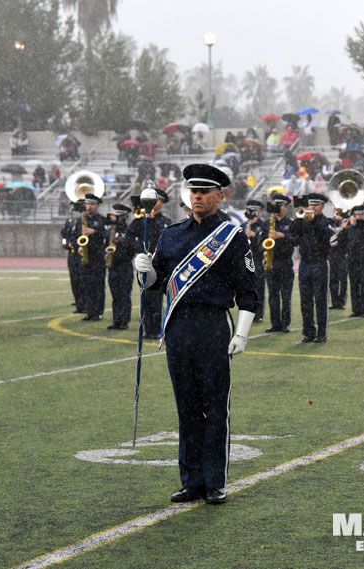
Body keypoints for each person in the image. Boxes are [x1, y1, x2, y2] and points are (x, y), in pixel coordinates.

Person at [134, 163, 259, 505]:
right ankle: (191, 480)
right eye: (194, 191)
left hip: (214, 325)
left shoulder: (232, 237)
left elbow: (249, 291)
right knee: (186, 407)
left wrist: (242, 334)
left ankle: (215, 481)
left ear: (221, 195)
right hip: (178, 327)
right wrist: (142, 272)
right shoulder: (171, 234)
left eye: (205, 192)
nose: (198, 197)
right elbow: (155, 285)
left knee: (216, 406)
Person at [126, 188, 171, 339]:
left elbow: (164, 240)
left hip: (158, 265)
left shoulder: (164, 222)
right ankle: (148, 329)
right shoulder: (139, 220)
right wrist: (139, 251)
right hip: (144, 264)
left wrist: (151, 221)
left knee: (156, 298)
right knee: (145, 297)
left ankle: (156, 329)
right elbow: (129, 238)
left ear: (162, 203)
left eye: (157, 200)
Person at [292, 193, 334, 342]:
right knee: (305, 300)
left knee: (321, 300)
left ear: (322, 206)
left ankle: (322, 333)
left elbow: (327, 236)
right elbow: (293, 237)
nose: (312, 208)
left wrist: (314, 221)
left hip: (320, 263)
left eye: (316, 205)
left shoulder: (326, 222)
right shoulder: (302, 221)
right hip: (305, 263)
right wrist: (298, 220)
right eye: (311, 205)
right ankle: (308, 332)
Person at [72, 193, 107, 321]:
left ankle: (98, 312)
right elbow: (75, 236)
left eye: (92, 204)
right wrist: (78, 246)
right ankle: (90, 311)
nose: (89, 207)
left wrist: (94, 232)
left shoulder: (102, 220)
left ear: (97, 206)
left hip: (97, 256)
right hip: (85, 257)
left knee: (98, 285)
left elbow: (106, 236)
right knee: (87, 285)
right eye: (88, 204)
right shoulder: (81, 220)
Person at [264, 194, 295, 333]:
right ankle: (275, 323)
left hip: (285, 262)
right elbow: (260, 243)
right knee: (273, 295)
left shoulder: (291, 223)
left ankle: (285, 323)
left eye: (280, 205)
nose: (277, 208)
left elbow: (296, 240)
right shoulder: (268, 223)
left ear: (286, 207)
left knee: (286, 295)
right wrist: (263, 250)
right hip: (271, 262)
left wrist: (282, 235)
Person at [341, 204, 364, 318]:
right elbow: (341, 240)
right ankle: (355, 309)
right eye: (357, 215)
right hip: (352, 257)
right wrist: (344, 228)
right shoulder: (350, 228)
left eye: (361, 215)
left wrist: (355, 224)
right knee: (354, 283)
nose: (359, 217)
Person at [105, 204, 135, 330]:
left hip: (125, 265)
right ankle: (116, 320)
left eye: (120, 215)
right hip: (113, 265)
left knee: (124, 294)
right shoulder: (112, 230)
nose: (117, 218)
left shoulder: (130, 230)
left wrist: (122, 242)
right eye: (116, 215)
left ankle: (124, 321)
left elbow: (133, 248)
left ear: (125, 216)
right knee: (115, 294)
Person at [243, 200, 267, 323]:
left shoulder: (263, 225)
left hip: (257, 259)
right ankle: (247, 313)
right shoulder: (243, 225)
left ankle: (258, 314)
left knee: (258, 288)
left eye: (256, 211)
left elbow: (263, 245)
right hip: (245, 260)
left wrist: (255, 236)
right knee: (246, 289)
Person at [61, 200, 86, 314]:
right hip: (71, 254)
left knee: (82, 280)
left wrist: (75, 243)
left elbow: (83, 236)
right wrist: (66, 244)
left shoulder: (83, 222)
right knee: (74, 279)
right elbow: (65, 234)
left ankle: (84, 303)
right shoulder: (70, 221)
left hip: (80, 253)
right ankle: (78, 303)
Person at [329, 207, 349, 310]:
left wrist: (342, 230)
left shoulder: (347, 221)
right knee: (332, 279)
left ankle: (341, 302)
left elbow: (344, 239)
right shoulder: (330, 221)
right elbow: (330, 238)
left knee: (342, 279)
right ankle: (334, 301)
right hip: (332, 254)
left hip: (342, 253)